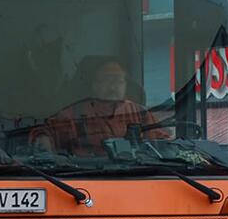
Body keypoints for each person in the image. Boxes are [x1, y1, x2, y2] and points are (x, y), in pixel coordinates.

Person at [31, 57, 160, 157]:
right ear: (94, 84)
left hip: (136, 177)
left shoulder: (140, 114)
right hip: (84, 177)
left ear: (126, 84)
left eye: (119, 81)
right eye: (107, 80)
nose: (113, 87)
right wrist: (43, 138)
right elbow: (44, 134)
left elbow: (162, 145)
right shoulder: (72, 114)